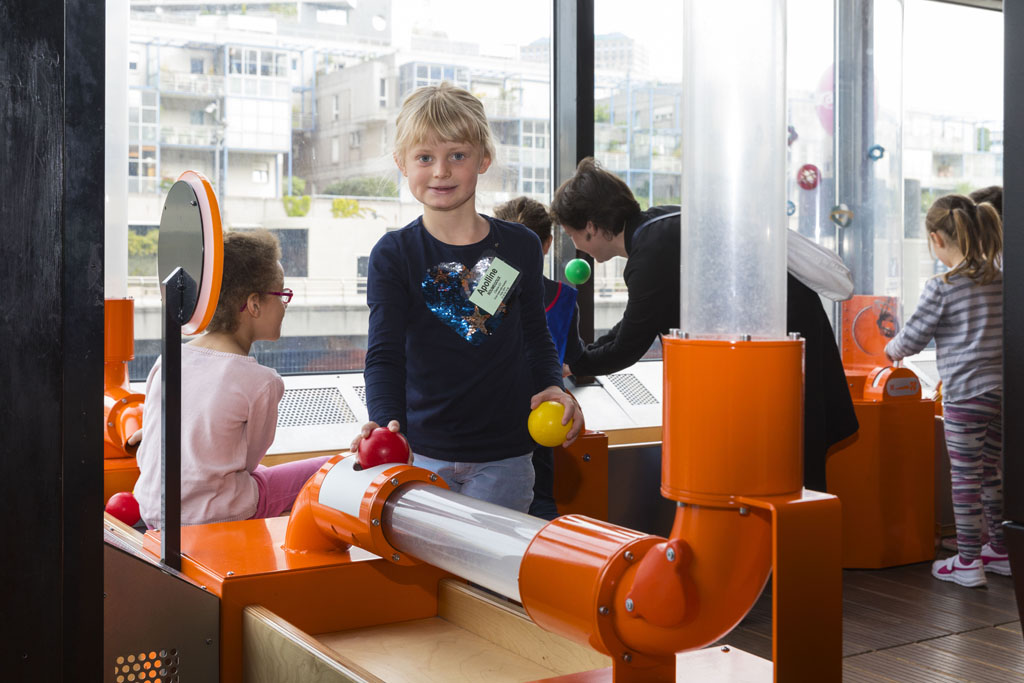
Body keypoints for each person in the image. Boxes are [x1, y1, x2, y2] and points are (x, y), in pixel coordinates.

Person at [549, 157, 858, 491]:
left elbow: (629, 345)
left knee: (789, 484)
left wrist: (577, 360)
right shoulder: (658, 225)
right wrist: (581, 355)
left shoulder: (651, 254)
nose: (575, 245)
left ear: (591, 227)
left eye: (571, 234)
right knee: (791, 480)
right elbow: (635, 322)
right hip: (790, 349)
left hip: (783, 364)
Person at [355, 83, 582, 513]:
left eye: (457, 155)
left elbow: (535, 336)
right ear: (402, 163)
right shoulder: (394, 254)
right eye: (425, 157)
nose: (441, 171)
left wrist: (553, 386)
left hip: (506, 457)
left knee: (491, 578)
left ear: (483, 159)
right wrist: (386, 423)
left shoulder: (519, 247)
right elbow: (384, 354)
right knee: (427, 578)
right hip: (420, 454)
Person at [134, 230, 330, 527]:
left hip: (154, 512)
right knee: (328, 468)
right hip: (217, 514)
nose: (285, 305)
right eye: (282, 294)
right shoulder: (262, 381)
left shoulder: (169, 358)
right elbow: (249, 463)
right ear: (254, 304)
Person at [885, 194, 1007, 587]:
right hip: (1000, 393)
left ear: (936, 239)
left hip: (965, 395)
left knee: (965, 478)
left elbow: (913, 338)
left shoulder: (943, 286)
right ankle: (1001, 550)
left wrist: (890, 350)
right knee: (991, 473)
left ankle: (968, 560)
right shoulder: (999, 279)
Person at [494, 196, 584, 519]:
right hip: (543, 414)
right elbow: (573, 356)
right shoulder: (564, 298)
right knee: (540, 498)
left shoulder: (489, 290)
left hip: (496, 418)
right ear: (546, 244)